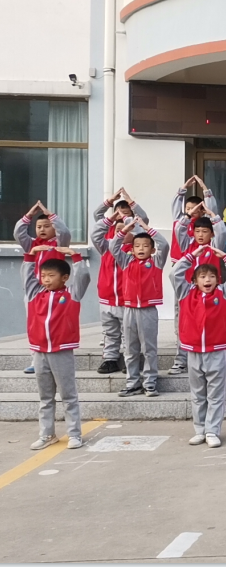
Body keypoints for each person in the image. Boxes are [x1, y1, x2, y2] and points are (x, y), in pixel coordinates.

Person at [171, 245, 226, 448]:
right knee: (198, 394)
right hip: (193, 352)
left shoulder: (224, 294)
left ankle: (212, 431)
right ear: (194, 281)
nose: (207, 280)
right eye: (202, 276)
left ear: (217, 280)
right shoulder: (186, 293)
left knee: (215, 395)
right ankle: (199, 430)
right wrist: (192, 255)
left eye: (211, 276)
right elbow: (175, 274)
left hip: (216, 351)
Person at [22, 247, 90, 450]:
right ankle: (47, 434)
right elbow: (26, 275)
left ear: (65, 278)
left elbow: (84, 277)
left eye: (51, 276)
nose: (46, 280)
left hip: (61, 350)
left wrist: (76, 256)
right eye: (43, 276)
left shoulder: (72, 294)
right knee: (45, 397)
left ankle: (75, 434)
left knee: (68, 395)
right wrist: (30, 255)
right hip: (39, 350)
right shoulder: (35, 293)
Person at [91, 188, 149, 375]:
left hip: (127, 297)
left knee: (129, 331)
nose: (121, 232)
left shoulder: (136, 249)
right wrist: (110, 207)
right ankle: (110, 359)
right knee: (110, 331)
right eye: (117, 229)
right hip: (107, 296)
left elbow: (143, 224)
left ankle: (130, 358)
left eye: (125, 227)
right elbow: (96, 229)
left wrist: (130, 214)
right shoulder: (106, 246)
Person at [111, 217, 169, 397]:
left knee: (149, 348)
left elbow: (164, 245)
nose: (141, 249)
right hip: (129, 310)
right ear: (132, 248)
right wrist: (125, 230)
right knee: (130, 349)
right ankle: (132, 382)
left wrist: (146, 227)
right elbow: (114, 247)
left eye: (145, 246)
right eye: (137, 246)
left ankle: (150, 382)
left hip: (148, 310)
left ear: (152, 250)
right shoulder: (126, 261)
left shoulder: (156, 262)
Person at [169, 176, 219, 375]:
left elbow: (215, 216)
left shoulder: (210, 234)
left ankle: (209, 354)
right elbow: (178, 219)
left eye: (195, 208)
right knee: (182, 318)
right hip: (186, 283)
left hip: (207, 284)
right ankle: (181, 356)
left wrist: (206, 190)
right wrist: (183, 189)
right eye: (188, 208)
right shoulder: (185, 232)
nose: (191, 211)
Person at [15, 201, 71, 375]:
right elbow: (19, 233)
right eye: (39, 226)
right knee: (34, 323)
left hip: (55, 292)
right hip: (35, 291)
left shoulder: (59, 244)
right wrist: (29, 215)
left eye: (47, 226)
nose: (42, 229)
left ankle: (56, 354)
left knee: (54, 323)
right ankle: (36, 358)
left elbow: (65, 232)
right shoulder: (32, 245)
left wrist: (51, 215)